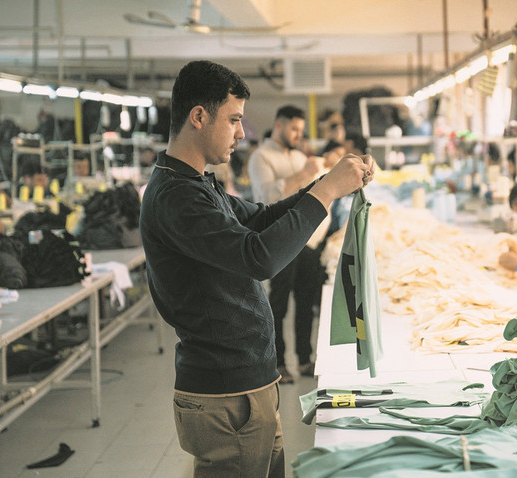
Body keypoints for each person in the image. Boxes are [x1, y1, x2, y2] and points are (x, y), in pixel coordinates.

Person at [140, 60, 374, 477]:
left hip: (245, 381)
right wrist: (326, 191)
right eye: (233, 120)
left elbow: (263, 218)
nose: (242, 133)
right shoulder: (177, 197)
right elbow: (259, 257)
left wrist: (330, 184)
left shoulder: (198, 184)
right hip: (225, 391)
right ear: (198, 116)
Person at [249, 105, 328, 384]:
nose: (298, 134)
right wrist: (304, 173)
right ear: (279, 126)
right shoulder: (261, 157)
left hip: (307, 241)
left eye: (301, 130)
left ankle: (305, 359)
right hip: (279, 241)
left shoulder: (298, 155)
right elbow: (267, 198)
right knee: (278, 306)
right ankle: (279, 363)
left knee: (306, 303)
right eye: (294, 128)